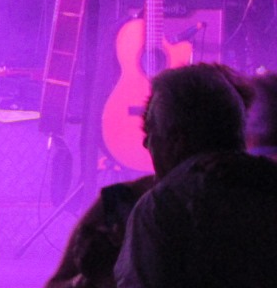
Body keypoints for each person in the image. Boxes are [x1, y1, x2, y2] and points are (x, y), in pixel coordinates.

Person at [114, 63, 277, 288]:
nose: (145, 143)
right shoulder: (264, 184)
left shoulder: (163, 205)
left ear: (177, 140)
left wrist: (100, 277)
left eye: (151, 131)